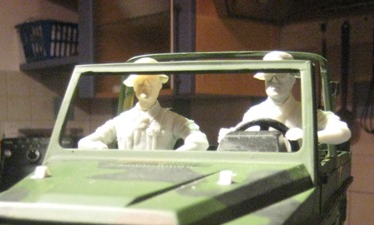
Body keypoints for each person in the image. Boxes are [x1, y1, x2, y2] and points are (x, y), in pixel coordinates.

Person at [220, 51, 351, 146]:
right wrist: (230, 136)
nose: (274, 80)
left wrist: (308, 136)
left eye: (281, 75)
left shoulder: (308, 113)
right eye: (269, 75)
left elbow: (343, 132)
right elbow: (241, 138)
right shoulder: (254, 113)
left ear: (293, 79)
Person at [78, 58, 208, 151]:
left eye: (150, 81)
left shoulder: (172, 120)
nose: (146, 86)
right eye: (140, 82)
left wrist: (174, 159)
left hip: (160, 176)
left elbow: (199, 141)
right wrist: (102, 151)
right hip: (126, 177)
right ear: (134, 87)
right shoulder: (122, 120)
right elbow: (85, 142)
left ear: (159, 85)